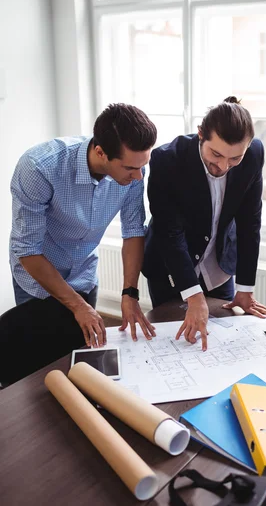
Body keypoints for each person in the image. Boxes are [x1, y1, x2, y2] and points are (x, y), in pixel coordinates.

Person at [5, 103, 157, 382]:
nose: (138, 177)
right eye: (130, 168)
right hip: (38, 282)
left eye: (142, 167)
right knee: (40, 371)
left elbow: (134, 230)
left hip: (84, 273)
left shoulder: (135, 170)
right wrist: (78, 306)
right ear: (101, 152)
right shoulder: (39, 168)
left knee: (80, 359)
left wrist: (130, 293)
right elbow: (28, 250)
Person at [142, 96, 266, 351]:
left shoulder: (254, 155)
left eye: (234, 159)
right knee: (175, 343)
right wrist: (193, 295)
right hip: (171, 269)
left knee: (218, 343)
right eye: (216, 154)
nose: (224, 166)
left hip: (219, 266)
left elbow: (250, 223)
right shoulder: (166, 160)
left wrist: (246, 288)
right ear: (201, 134)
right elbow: (170, 233)